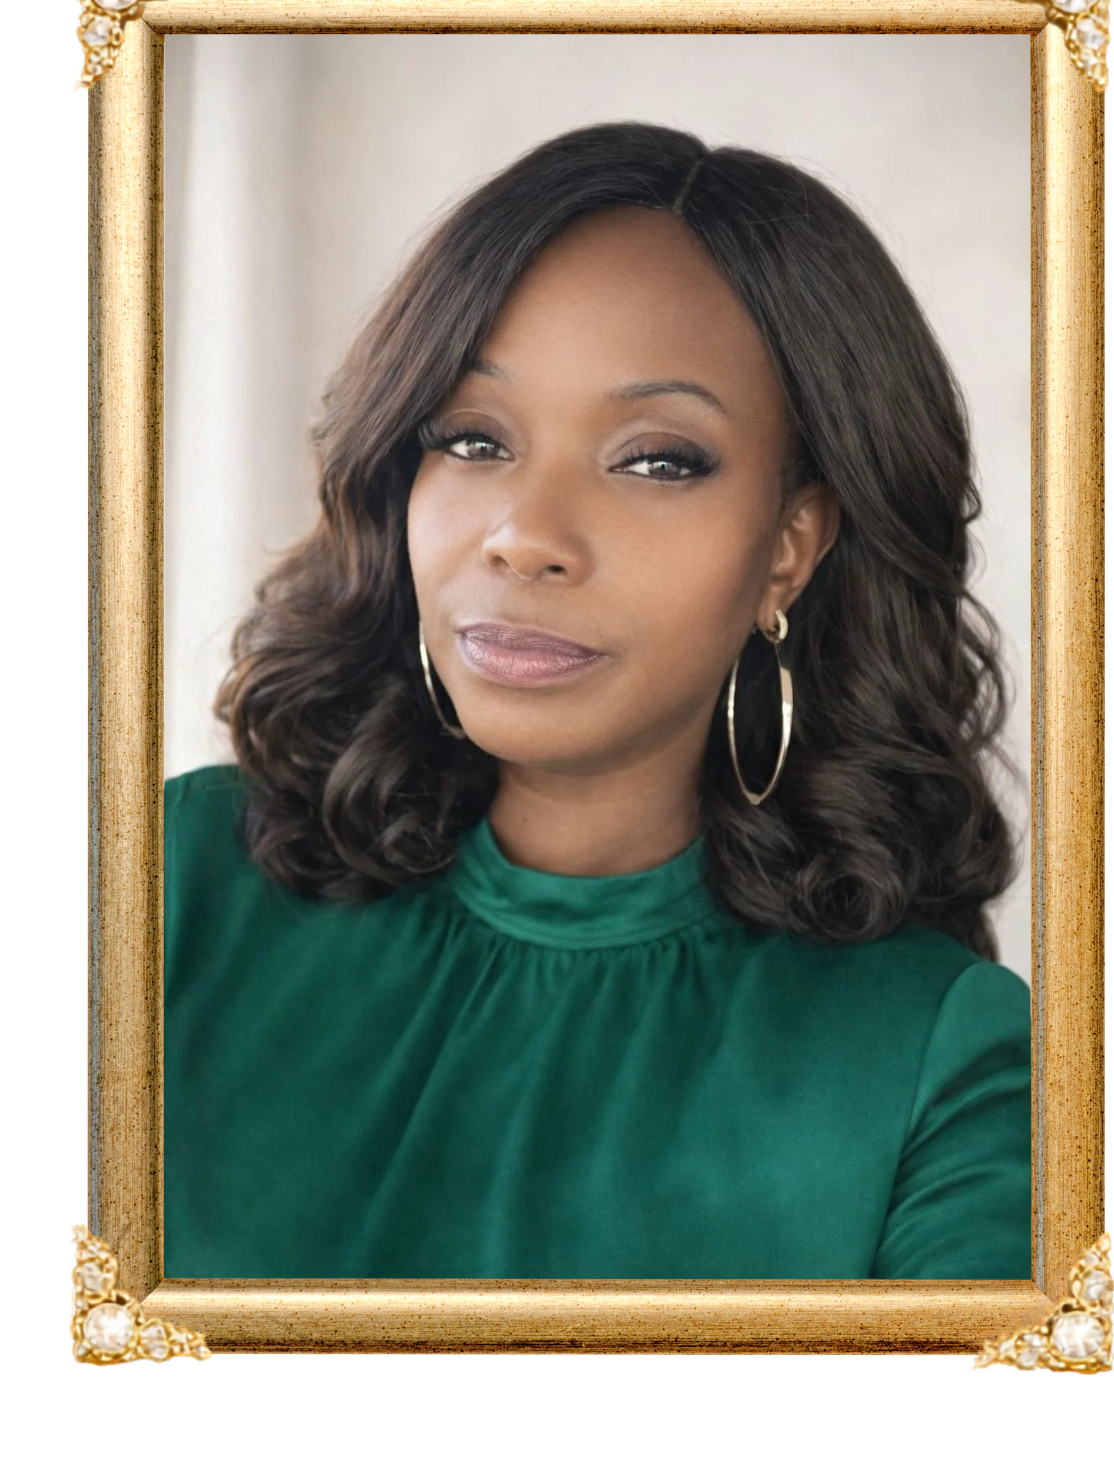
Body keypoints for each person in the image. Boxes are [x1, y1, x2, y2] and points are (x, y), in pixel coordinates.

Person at [165, 122, 1031, 1280]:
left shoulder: (944, 1064)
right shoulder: (168, 887)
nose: (525, 535)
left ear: (790, 545)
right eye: (472, 438)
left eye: (657, 458)